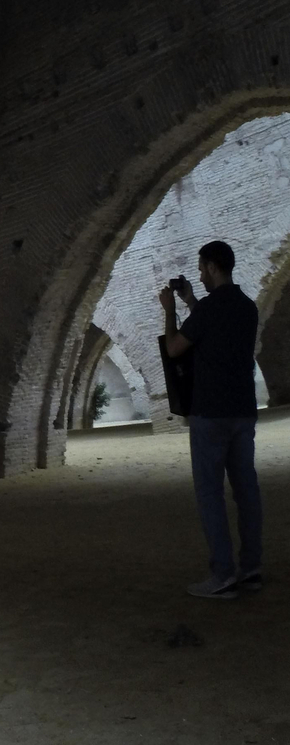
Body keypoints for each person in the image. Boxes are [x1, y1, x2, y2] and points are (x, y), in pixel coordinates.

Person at [160, 240, 263, 599]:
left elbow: (175, 347)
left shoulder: (208, 310)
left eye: (202, 268)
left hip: (210, 413)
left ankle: (222, 575)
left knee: (210, 493)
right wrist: (192, 302)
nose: (200, 275)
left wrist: (171, 311)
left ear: (214, 267)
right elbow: (214, 325)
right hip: (243, 411)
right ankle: (251, 568)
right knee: (247, 491)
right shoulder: (247, 306)